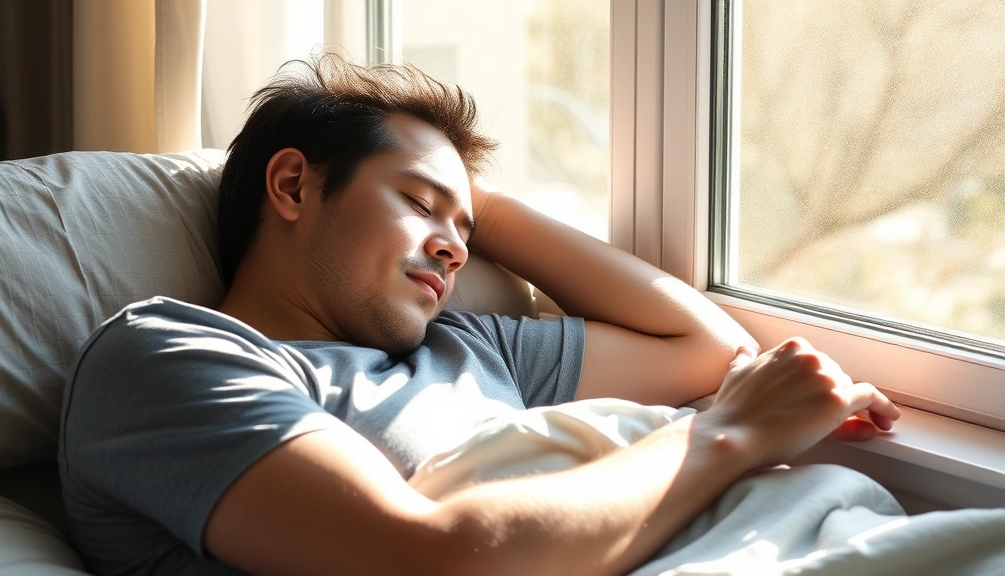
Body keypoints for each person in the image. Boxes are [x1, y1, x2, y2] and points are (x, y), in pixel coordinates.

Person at [58, 54, 900, 576]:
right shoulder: (166, 357)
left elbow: (708, 347)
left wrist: (472, 201)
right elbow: (423, 558)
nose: (456, 250)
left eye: (468, 232)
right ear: (291, 185)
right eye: (419, 203)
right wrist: (728, 433)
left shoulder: (466, 346)